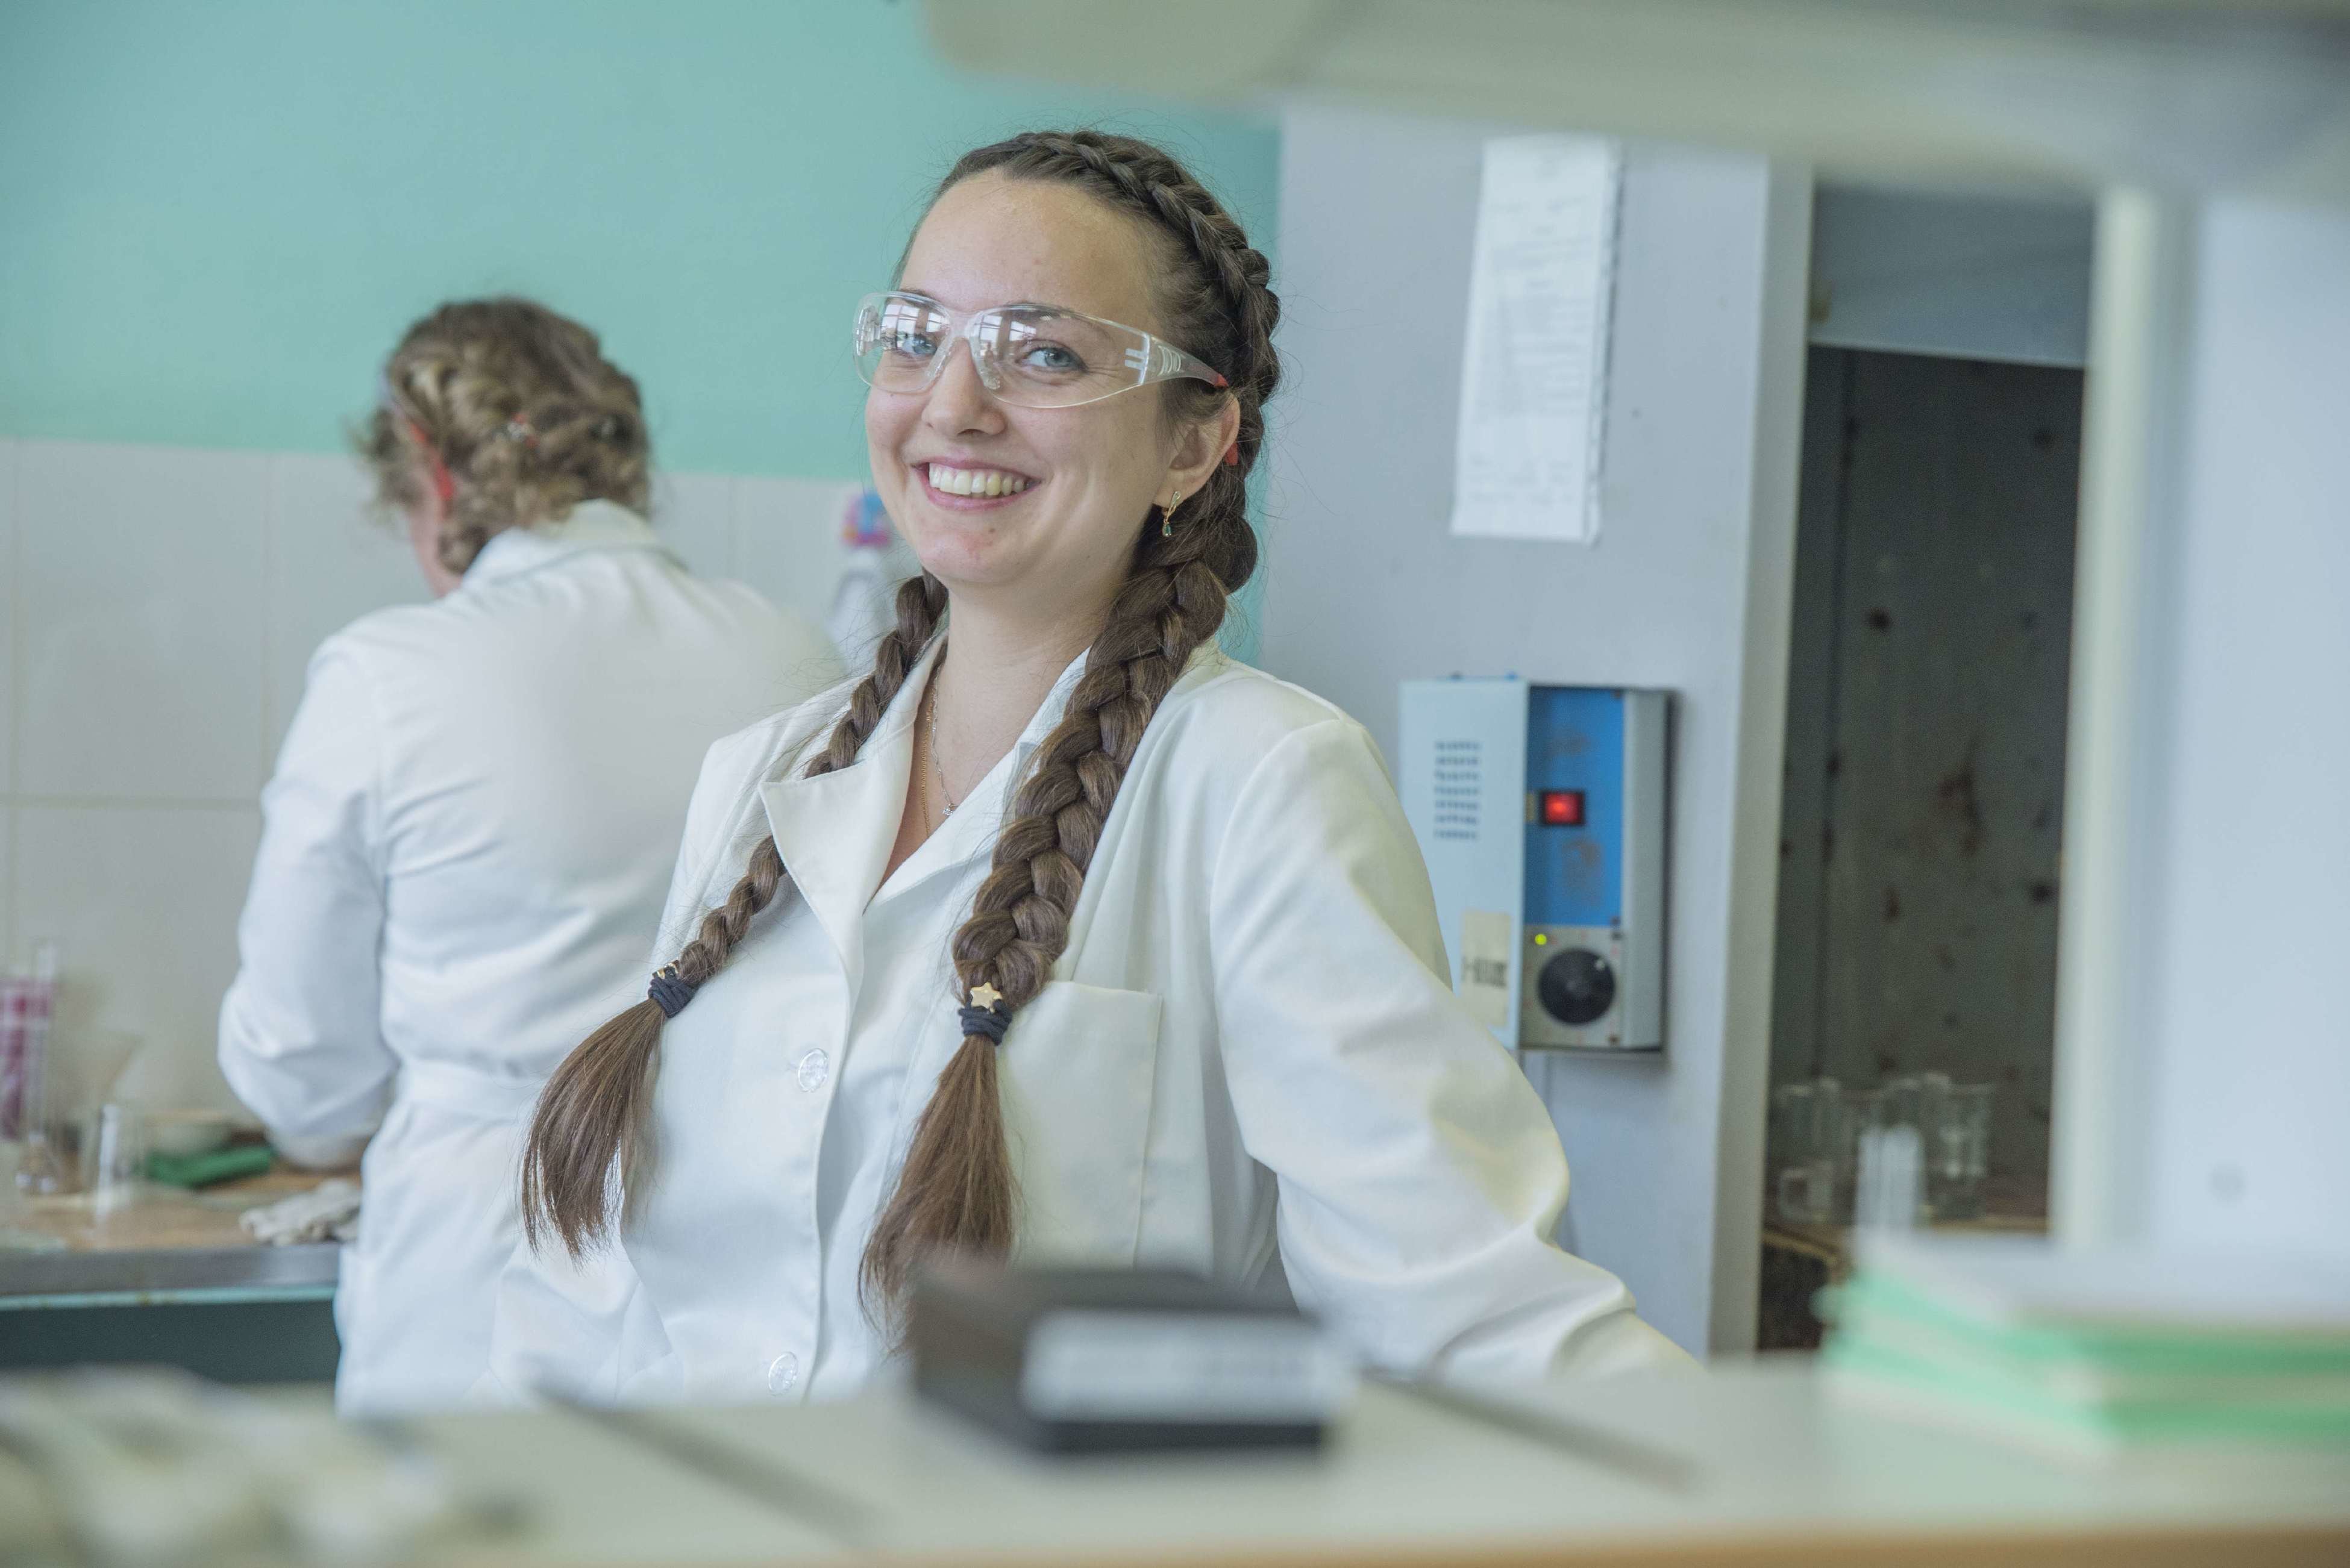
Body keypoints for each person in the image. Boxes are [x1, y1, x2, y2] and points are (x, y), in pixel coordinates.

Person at [490, 133, 1691, 1407]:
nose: (954, 404)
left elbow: (1475, 1324)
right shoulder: (763, 774)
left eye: (1046, 354)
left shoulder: (1260, 785)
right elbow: (587, 1305)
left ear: (1196, 443)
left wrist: (1775, 1478)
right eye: (917, 337)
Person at [219, 299, 842, 1414]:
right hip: (725, 1264)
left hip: (468, 1271)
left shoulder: (387, 673)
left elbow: (303, 1076)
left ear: (431, 469)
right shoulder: (797, 653)